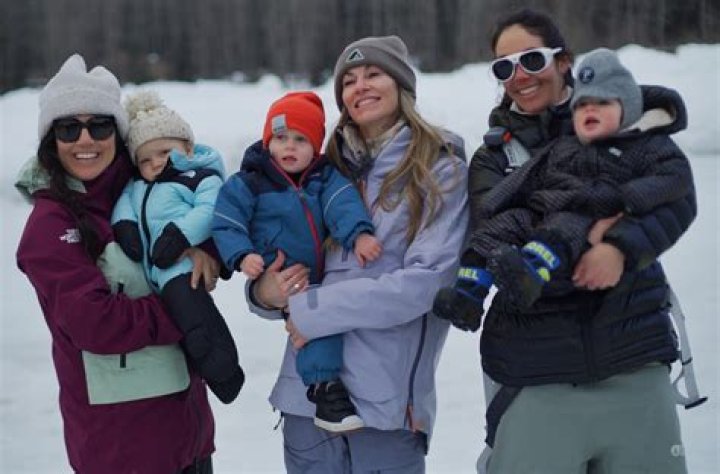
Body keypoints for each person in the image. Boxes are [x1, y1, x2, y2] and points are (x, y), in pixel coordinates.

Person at [443, 9, 695, 473]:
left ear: (563, 61)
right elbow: (497, 245)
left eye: (531, 59)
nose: (519, 76)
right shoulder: (493, 159)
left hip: (633, 357)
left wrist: (618, 249)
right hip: (535, 373)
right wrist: (578, 247)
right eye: (504, 67)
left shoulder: (622, 125)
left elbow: (672, 201)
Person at [242, 36, 468, 473]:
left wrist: (312, 308)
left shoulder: (439, 169)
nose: (360, 86)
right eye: (348, 81)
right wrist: (264, 292)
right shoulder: (318, 170)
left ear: (401, 85)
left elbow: (427, 284)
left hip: (385, 405)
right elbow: (278, 259)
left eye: (373, 74)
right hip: (306, 399)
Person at [15, 54, 216, 473]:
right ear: (51, 140)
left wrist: (205, 253)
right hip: (122, 449)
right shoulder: (51, 223)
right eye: (68, 128)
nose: (85, 139)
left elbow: (200, 215)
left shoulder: (144, 187)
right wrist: (185, 309)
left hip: (188, 433)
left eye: (100, 125)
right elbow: (95, 323)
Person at [433, 47, 694, 320]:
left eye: (603, 102)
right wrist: (497, 200)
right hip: (542, 210)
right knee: (500, 227)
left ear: (627, 109)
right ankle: (468, 294)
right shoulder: (565, 145)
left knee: (563, 225)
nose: (590, 108)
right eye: (581, 105)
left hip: (584, 212)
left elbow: (675, 176)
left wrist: (628, 199)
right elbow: (532, 173)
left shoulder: (645, 146)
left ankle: (530, 274)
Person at [212, 90, 381, 431]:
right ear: (267, 142)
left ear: (315, 146)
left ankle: (327, 388)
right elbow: (227, 220)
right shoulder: (251, 182)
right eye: (281, 138)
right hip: (282, 272)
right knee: (317, 328)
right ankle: (324, 389)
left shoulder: (324, 178)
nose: (289, 147)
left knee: (319, 322)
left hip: (322, 275)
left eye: (301, 140)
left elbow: (342, 204)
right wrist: (242, 255)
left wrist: (359, 234)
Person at [112, 90, 245, 404]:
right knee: (181, 332)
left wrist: (180, 236)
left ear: (187, 147)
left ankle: (225, 373)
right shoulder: (137, 186)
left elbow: (209, 210)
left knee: (195, 320)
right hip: (150, 272)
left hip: (180, 263)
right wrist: (125, 226)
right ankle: (208, 369)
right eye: (145, 160)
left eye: (164, 152)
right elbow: (123, 204)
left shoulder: (199, 178)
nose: (155, 163)